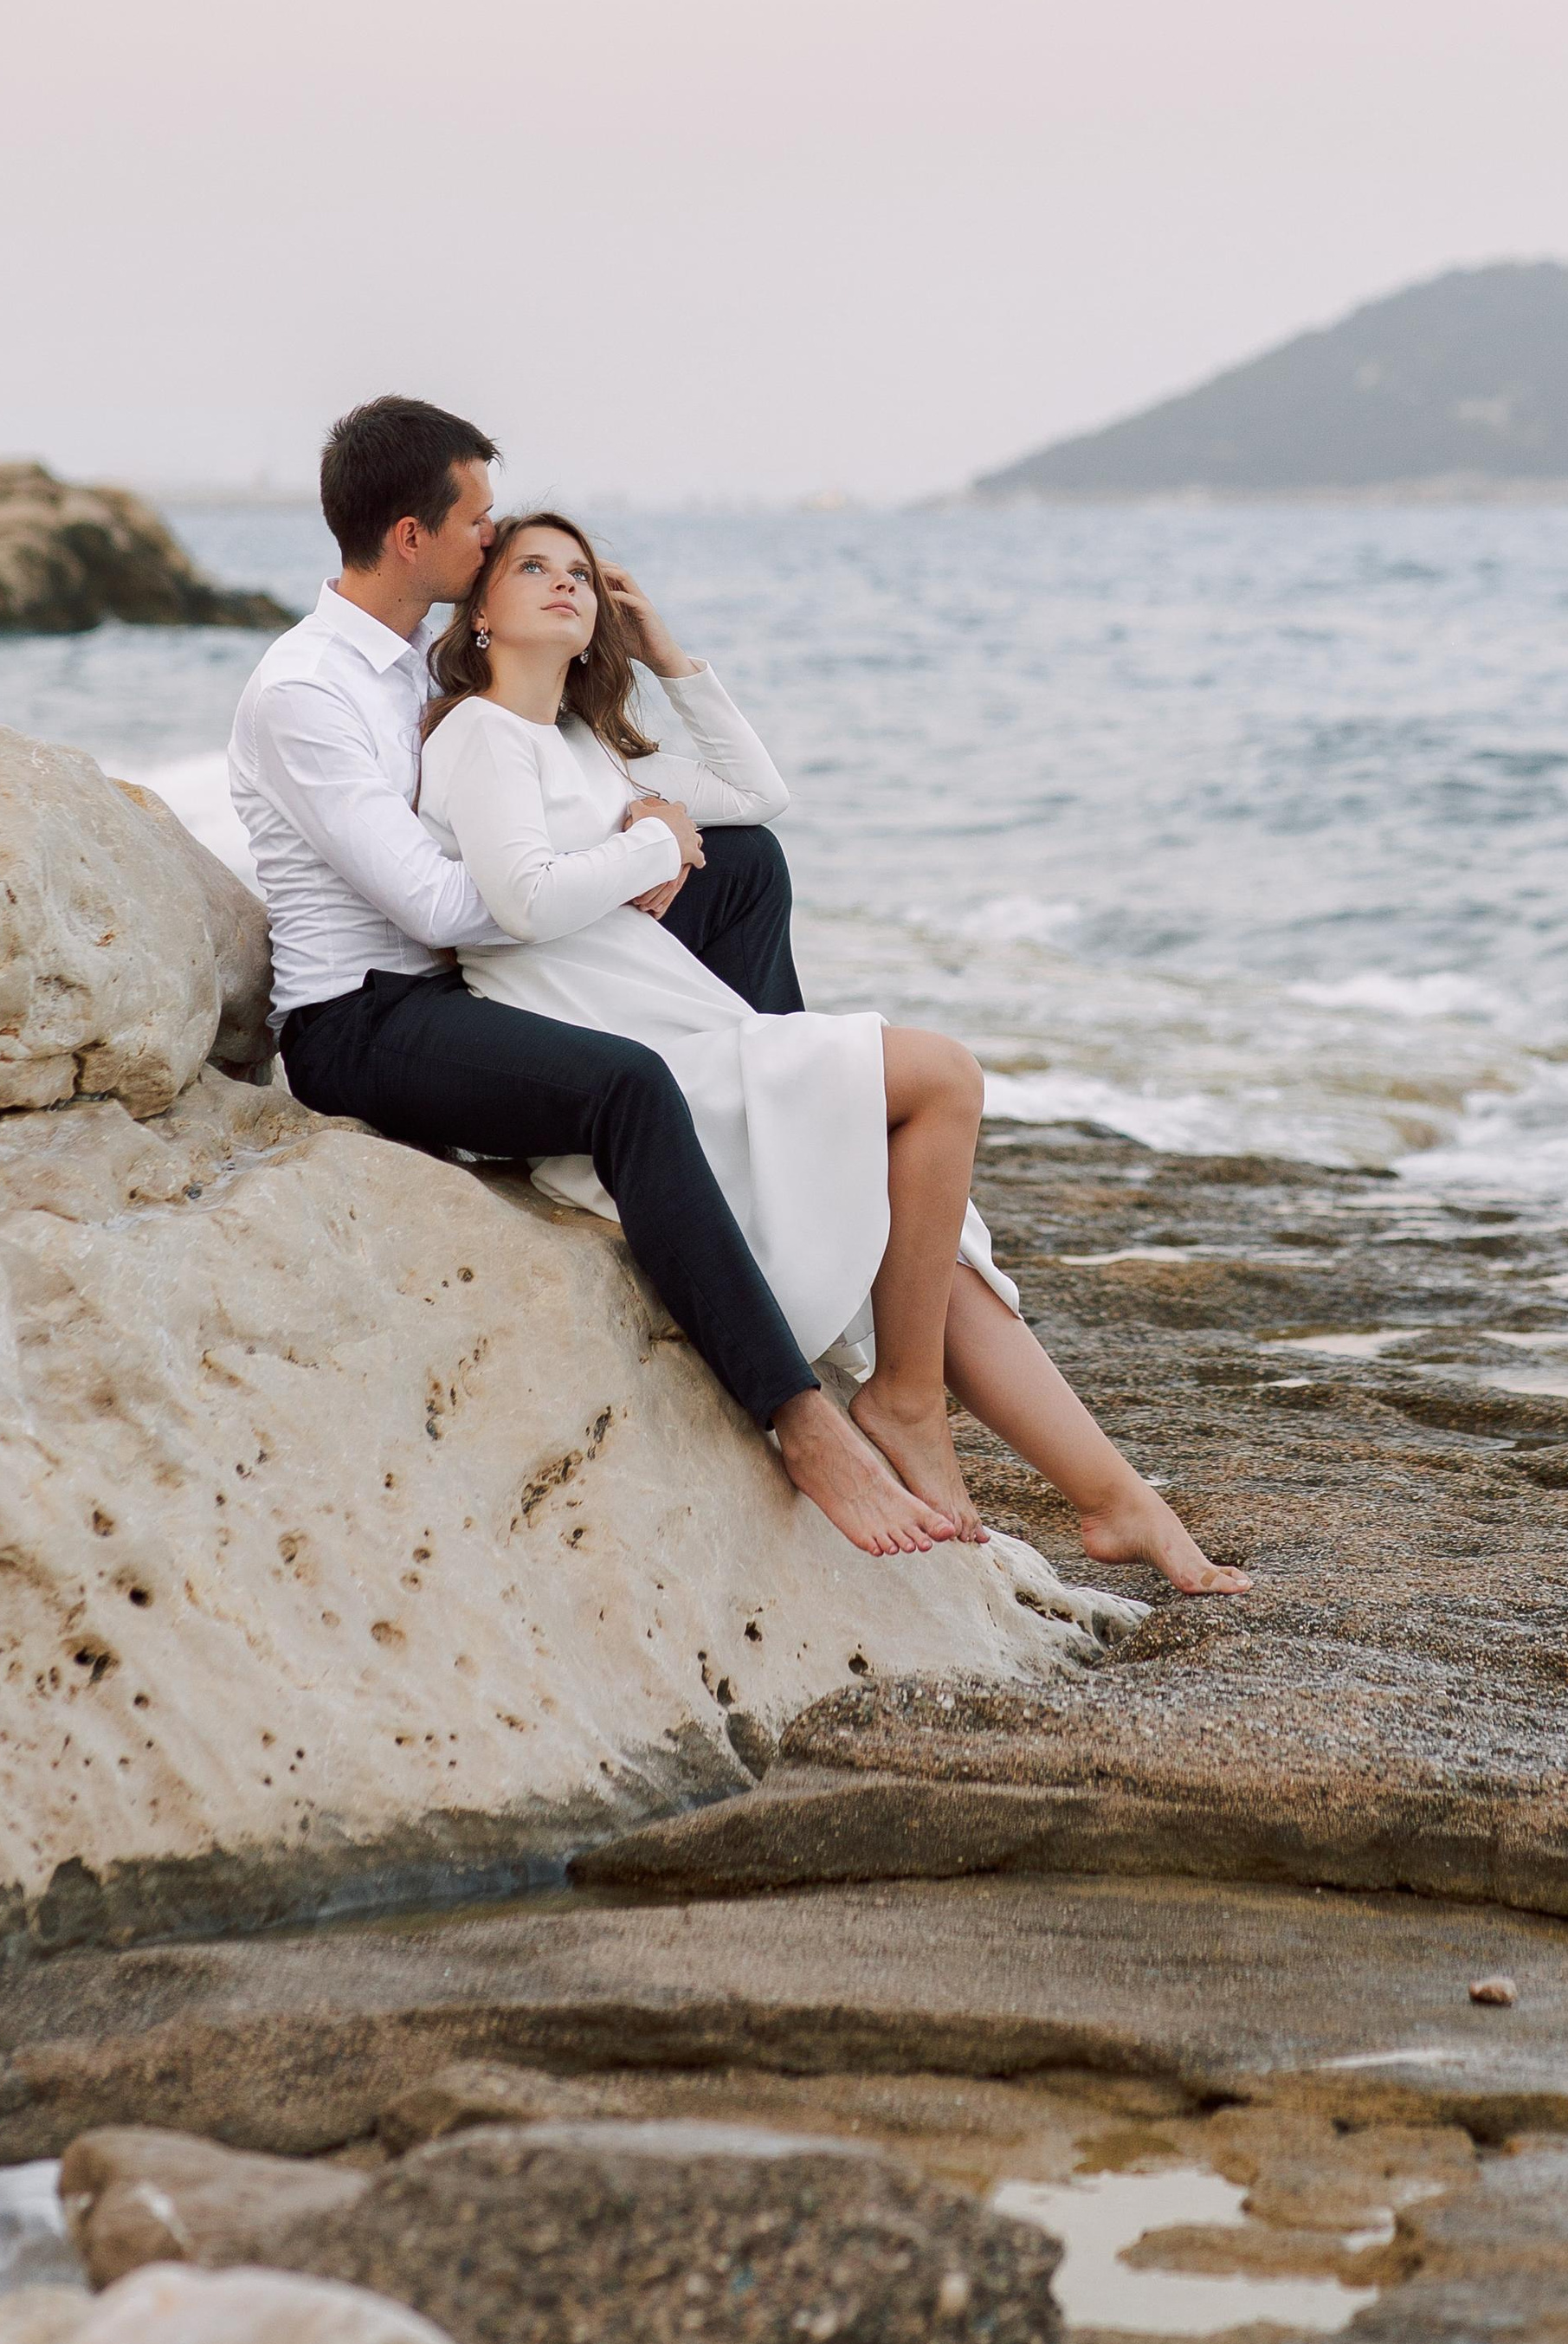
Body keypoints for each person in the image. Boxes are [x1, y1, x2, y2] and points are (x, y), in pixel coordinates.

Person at [413, 504, 1248, 1596]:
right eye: (532, 568)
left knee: (931, 1233)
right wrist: (653, 840)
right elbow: (520, 901)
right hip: (617, 1053)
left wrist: (667, 656)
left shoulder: (585, 746)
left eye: (580, 572)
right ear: (480, 614)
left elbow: (760, 797)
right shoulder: (478, 734)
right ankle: (905, 1402)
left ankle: (1115, 1501)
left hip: (687, 1028)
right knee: (940, 1076)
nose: (566, 584)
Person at [230, 397, 958, 1560]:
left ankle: (780, 1128)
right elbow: (436, 904)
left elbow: (738, 800)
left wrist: (660, 737)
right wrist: (629, 857)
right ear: (412, 537)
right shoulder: (305, 692)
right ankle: (801, 1415)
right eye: (477, 523)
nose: (494, 543)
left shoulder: (431, 660)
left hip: (481, 980)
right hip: (364, 1018)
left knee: (747, 868)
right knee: (629, 1087)